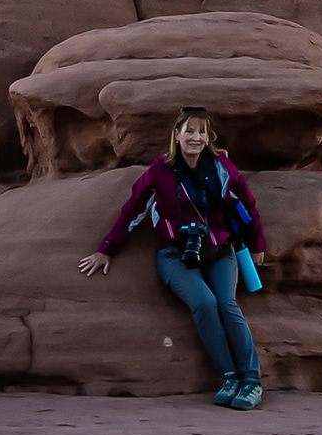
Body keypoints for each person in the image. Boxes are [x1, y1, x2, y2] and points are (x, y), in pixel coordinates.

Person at [77, 110, 270, 407]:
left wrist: (257, 243)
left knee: (227, 303)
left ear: (209, 138)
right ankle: (231, 376)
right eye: (189, 131)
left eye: (202, 132)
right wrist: (106, 249)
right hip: (174, 253)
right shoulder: (160, 171)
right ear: (177, 135)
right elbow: (133, 210)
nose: (196, 138)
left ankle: (252, 382)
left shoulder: (223, 168)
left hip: (220, 250)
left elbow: (247, 205)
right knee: (204, 302)